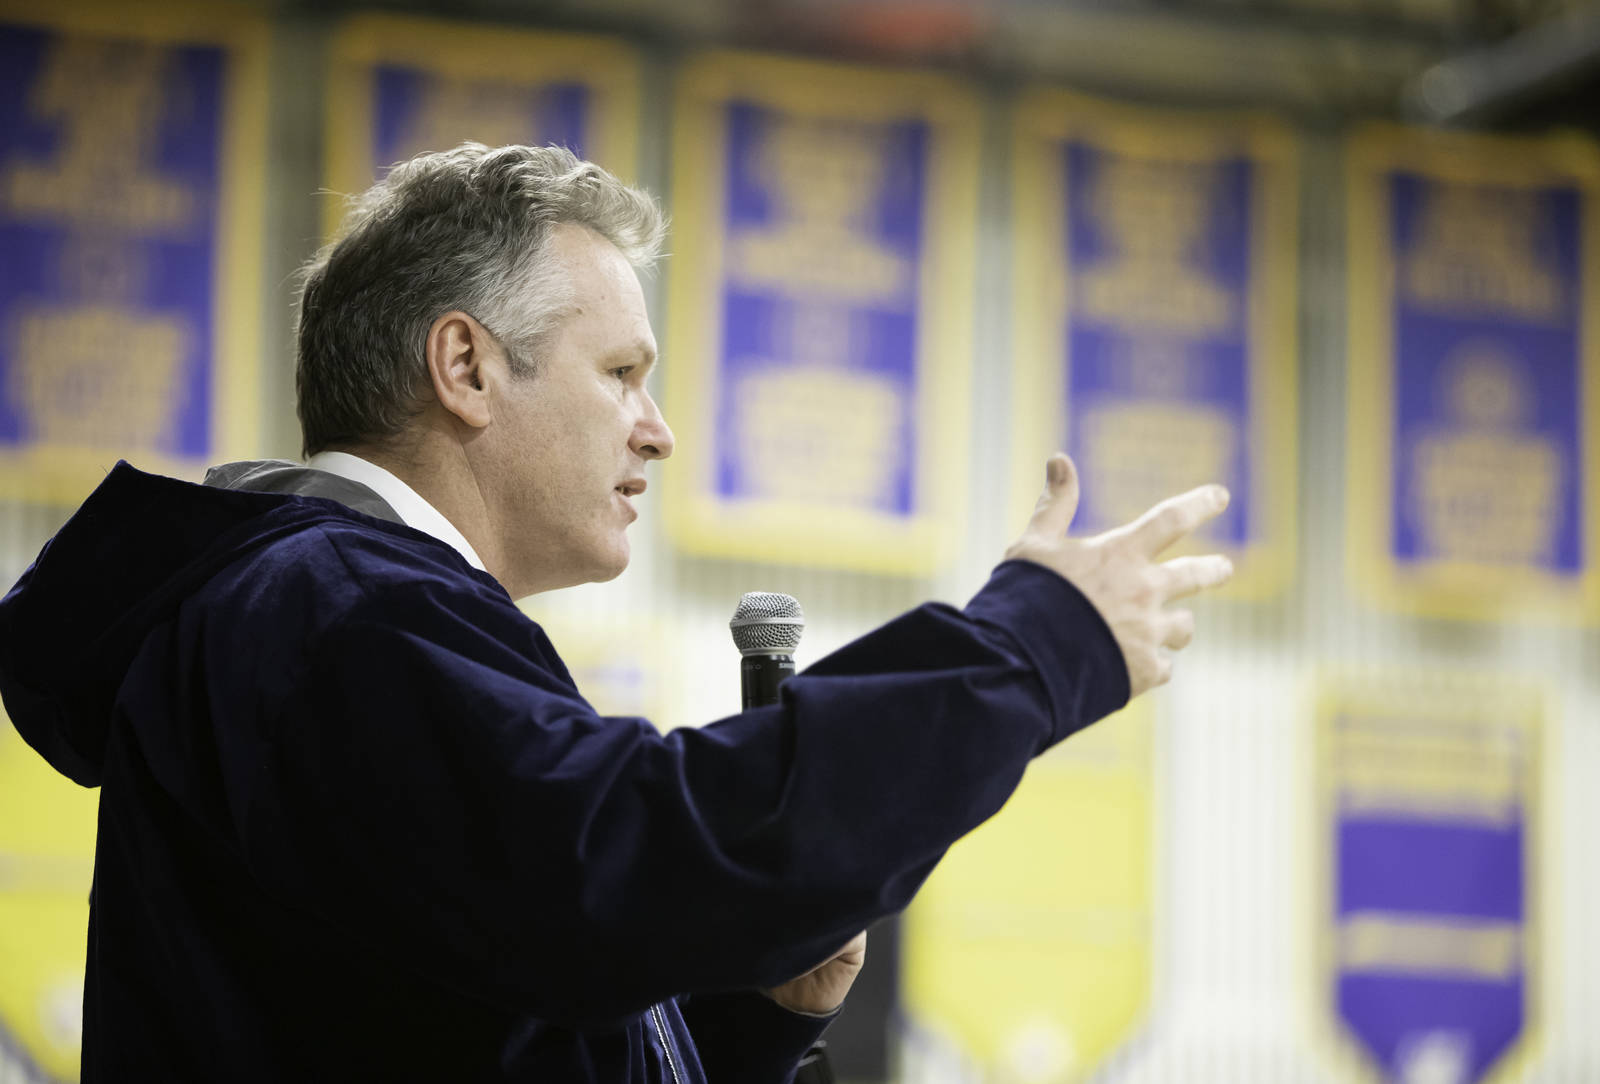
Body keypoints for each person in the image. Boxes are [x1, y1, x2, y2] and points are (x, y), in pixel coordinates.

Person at [0, 144, 1232, 1082]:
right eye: (621, 373)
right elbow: (611, 862)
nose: (660, 429)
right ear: (466, 366)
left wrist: (747, 1015)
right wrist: (1031, 645)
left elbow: (504, 989)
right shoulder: (333, 611)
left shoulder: (342, 616)